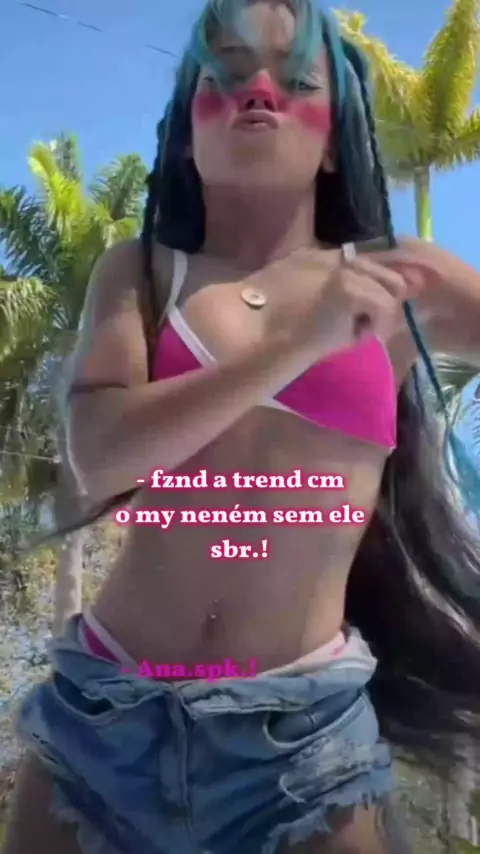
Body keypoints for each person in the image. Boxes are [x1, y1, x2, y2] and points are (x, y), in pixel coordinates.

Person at [4, 1, 480, 852]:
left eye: (296, 79)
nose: (258, 89)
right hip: (106, 715)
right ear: (188, 132)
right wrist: (301, 345)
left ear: (334, 142)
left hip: (306, 739)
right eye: (223, 75)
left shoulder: (400, 280)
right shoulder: (141, 273)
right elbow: (101, 455)